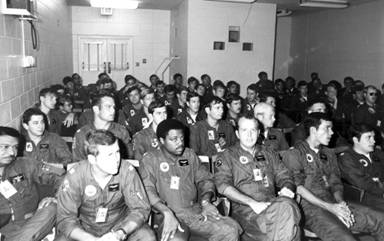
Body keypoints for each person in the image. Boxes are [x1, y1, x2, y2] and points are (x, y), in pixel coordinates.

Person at [282, 113, 384, 241]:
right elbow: (298, 188)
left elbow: (335, 183)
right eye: (327, 128)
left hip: (333, 203)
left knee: (381, 220)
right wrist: (330, 207)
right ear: (314, 130)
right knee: (344, 238)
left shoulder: (328, 153)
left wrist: (341, 204)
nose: (332, 132)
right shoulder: (294, 153)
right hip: (309, 208)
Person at [139, 119, 242, 241]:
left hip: (193, 214)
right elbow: (147, 190)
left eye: (182, 138)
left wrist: (206, 202)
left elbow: (205, 179)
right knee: (176, 238)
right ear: (161, 141)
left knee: (230, 230)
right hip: (165, 215)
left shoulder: (189, 155)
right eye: (174, 139)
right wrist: (166, 212)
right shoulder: (151, 159)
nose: (180, 143)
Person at [56, 130, 155, 241]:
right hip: (85, 228)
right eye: (109, 155)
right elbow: (65, 219)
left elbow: (140, 209)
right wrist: (92, 240)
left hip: (119, 226)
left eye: (117, 152)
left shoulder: (127, 171)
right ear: (92, 159)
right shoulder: (76, 176)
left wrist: (121, 232)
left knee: (147, 236)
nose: (116, 159)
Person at [214, 115, 301, 241]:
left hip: (273, 205)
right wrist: (252, 203)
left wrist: (287, 188)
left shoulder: (269, 153)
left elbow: (285, 176)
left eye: (253, 130)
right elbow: (223, 186)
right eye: (244, 130)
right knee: (292, 228)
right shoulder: (227, 156)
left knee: (286, 208)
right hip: (245, 211)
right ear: (237, 134)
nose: (249, 135)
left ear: (259, 132)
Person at [0, 126, 64, 241]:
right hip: (5, 231)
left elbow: (60, 174)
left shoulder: (25, 164)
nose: (11, 152)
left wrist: (57, 197)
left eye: (15, 147)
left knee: (52, 208)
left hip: (34, 222)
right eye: (5, 147)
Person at [21, 108, 72, 198]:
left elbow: (68, 160)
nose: (40, 126)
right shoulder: (20, 142)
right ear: (26, 126)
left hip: (51, 184)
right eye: (35, 123)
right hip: (29, 186)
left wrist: (51, 166)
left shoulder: (53, 139)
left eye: (42, 122)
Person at [73, 93, 133, 162]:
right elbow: (78, 163)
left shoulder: (121, 131)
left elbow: (129, 159)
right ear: (96, 109)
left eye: (113, 107)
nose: (113, 110)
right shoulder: (82, 133)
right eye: (108, 106)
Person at [338, 123, 384, 211]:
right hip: (364, 200)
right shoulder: (347, 158)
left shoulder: (377, 153)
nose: (373, 141)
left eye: (373, 137)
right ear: (356, 140)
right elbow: (363, 184)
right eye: (368, 137)